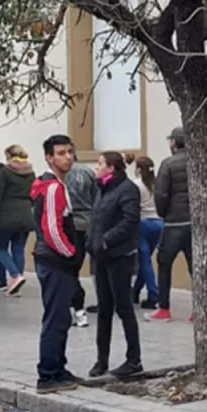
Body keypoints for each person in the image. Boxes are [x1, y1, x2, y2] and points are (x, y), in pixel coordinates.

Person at [31, 134, 83, 394]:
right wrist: (70, 253)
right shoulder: (52, 188)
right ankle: (49, 374)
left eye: (70, 152)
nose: (67, 157)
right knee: (56, 318)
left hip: (53, 260)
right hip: (54, 261)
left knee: (61, 317)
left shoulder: (54, 185)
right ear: (49, 157)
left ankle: (58, 368)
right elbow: (51, 227)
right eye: (61, 153)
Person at [87, 152, 143, 377]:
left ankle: (134, 359)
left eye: (100, 164)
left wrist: (107, 239)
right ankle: (101, 360)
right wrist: (91, 240)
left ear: (111, 168)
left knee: (124, 308)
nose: (96, 167)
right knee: (104, 309)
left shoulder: (127, 189)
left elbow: (130, 220)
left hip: (120, 256)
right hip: (101, 256)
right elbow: (97, 218)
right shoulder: (102, 188)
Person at [149, 127, 191, 322]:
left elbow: (161, 193)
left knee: (164, 264)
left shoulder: (168, 164)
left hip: (174, 223)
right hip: (194, 224)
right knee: (196, 267)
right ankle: (199, 309)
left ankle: (164, 307)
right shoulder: (197, 161)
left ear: (174, 142)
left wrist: (163, 213)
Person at [0, 144, 36, 296]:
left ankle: (15, 275)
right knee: (18, 249)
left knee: (0, 248)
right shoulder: (31, 173)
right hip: (26, 215)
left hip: (6, 215)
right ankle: (16, 283)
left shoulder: (5, 172)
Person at [65, 149, 97, 327]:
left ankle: (75, 306)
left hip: (71, 224)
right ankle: (76, 306)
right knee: (77, 264)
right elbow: (95, 197)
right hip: (88, 223)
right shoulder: (88, 172)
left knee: (69, 268)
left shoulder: (61, 176)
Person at [129, 155, 162, 309]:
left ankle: (153, 294)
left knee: (144, 261)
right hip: (159, 223)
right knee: (146, 260)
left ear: (138, 169)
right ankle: (135, 292)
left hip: (143, 224)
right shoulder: (157, 184)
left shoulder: (136, 185)